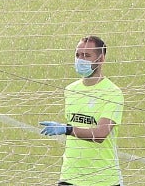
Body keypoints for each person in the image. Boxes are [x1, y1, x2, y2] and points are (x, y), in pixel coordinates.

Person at [38, 36, 124, 186]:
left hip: (103, 180)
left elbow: (100, 134)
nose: (80, 60)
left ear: (101, 58)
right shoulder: (70, 90)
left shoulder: (112, 93)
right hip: (70, 177)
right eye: (78, 55)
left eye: (87, 56)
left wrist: (67, 129)